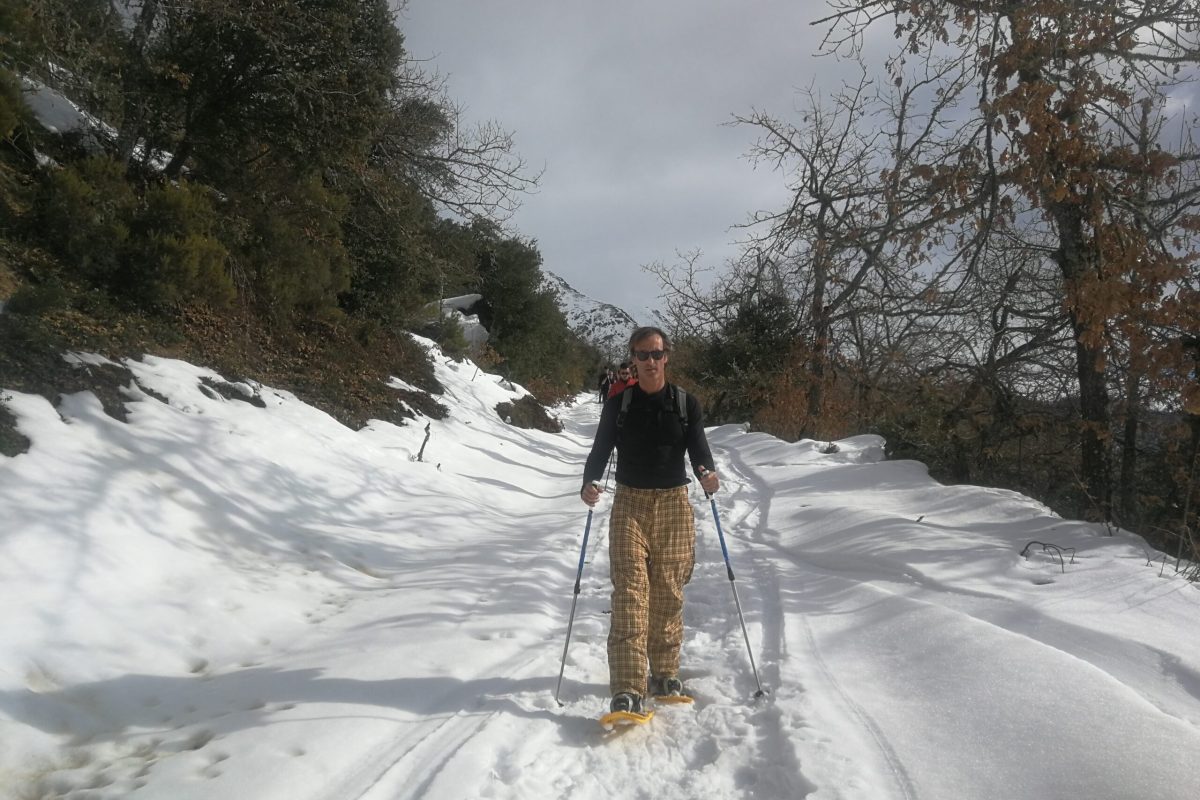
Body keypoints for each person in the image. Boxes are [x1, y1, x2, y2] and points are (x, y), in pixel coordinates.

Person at [581, 326, 719, 715]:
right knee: (629, 594)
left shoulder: (685, 403)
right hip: (629, 505)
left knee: (668, 594)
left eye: (656, 354)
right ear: (633, 359)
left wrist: (708, 474)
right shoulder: (619, 404)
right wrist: (588, 483)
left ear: (666, 356)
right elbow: (600, 451)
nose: (650, 361)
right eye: (642, 355)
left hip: (675, 505)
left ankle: (665, 672)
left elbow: (700, 452)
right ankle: (627, 687)